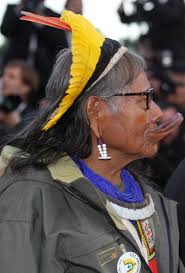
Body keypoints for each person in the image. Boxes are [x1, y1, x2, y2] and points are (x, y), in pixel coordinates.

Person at [0, 10, 184, 273]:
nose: (156, 112)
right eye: (144, 98)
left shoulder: (150, 198)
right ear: (95, 111)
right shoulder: (29, 198)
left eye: (153, 97)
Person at [1, 0, 82, 99]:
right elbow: (5, 30)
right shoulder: (14, 8)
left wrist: (43, 24)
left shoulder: (53, 15)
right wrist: (20, 8)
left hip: (42, 76)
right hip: (14, 69)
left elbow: (60, 43)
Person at [0, 59, 39, 145]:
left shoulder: (34, 117)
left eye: (11, 76)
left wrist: (17, 126)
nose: (4, 79)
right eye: (4, 75)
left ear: (26, 87)